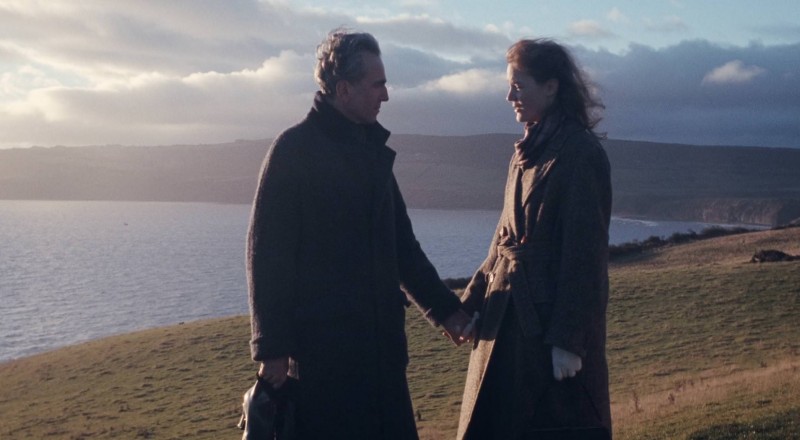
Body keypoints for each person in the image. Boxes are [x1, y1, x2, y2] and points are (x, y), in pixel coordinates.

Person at [246, 28, 472, 440]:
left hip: (383, 359)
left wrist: (447, 311)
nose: (385, 96)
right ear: (344, 89)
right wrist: (272, 349)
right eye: (377, 84)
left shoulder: (371, 153)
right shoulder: (293, 151)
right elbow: (267, 255)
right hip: (323, 365)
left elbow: (403, 248)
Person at [456, 39, 613, 439]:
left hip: (545, 336)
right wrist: (473, 301)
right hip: (506, 323)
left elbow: (585, 256)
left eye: (518, 86)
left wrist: (569, 341)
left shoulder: (580, 154)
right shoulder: (525, 151)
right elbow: (502, 238)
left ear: (551, 87)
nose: (509, 96)